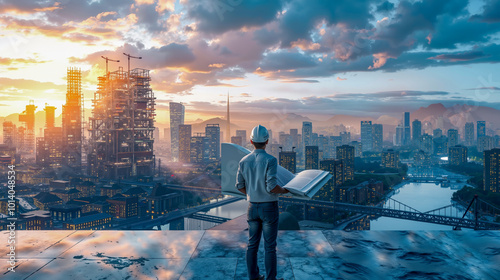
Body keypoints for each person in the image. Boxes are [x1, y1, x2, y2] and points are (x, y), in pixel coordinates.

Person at [236, 125, 289, 280]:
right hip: (269, 207)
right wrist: (286, 190)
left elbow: (239, 186)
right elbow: (272, 187)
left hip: (252, 207)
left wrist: (252, 193)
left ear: (251, 141)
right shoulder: (271, 160)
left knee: (252, 245)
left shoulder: (243, 161)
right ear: (267, 141)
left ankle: (253, 277)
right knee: (270, 247)